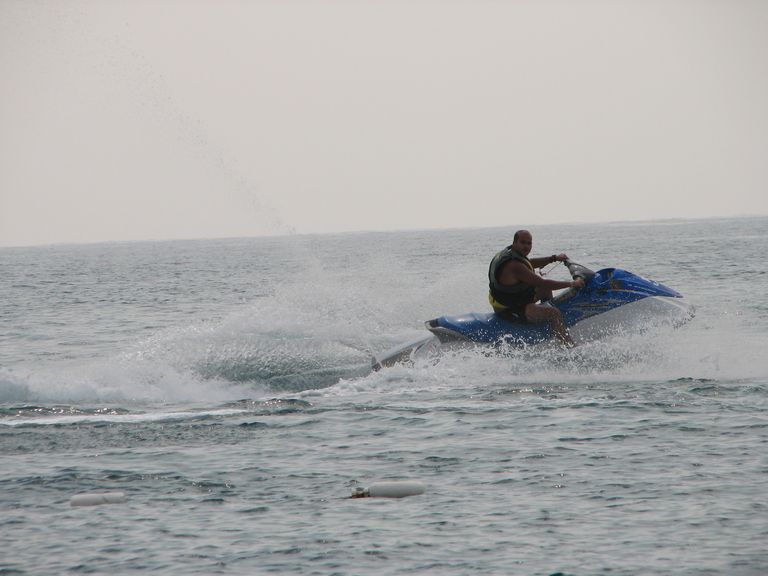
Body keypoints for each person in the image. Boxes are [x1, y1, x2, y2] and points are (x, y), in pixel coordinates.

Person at [488, 229, 585, 346]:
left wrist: (554, 258)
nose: (526, 246)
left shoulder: (511, 254)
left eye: (529, 243)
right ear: (514, 243)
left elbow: (529, 263)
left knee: (545, 290)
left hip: (511, 300)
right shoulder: (514, 265)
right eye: (523, 242)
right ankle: (569, 346)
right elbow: (543, 283)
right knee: (554, 313)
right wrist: (572, 283)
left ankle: (549, 324)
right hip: (509, 309)